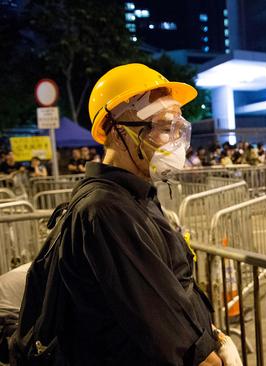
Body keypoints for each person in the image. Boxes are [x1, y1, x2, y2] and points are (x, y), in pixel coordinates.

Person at [19, 64, 228, 365]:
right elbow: (166, 333)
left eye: (178, 128)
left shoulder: (137, 196)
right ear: (118, 133)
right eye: (163, 128)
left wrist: (209, 332)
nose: (175, 141)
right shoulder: (106, 211)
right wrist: (213, 357)